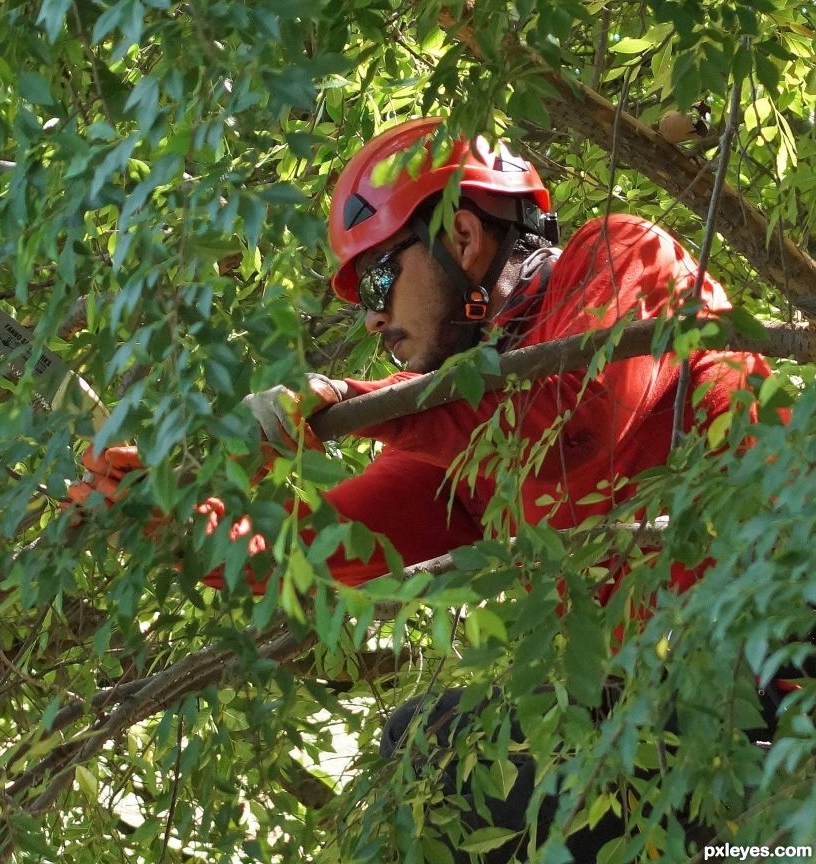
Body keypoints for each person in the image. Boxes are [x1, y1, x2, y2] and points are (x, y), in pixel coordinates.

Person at [68, 117, 780, 859]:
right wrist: (173, 519)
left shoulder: (618, 255)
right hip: (675, 711)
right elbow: (318, 555)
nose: (373, 314)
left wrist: (354, 399)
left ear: (464, 237)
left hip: (785, 642)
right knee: (427, 747)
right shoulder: (462, 434)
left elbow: (577, 421)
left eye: (378, 278)